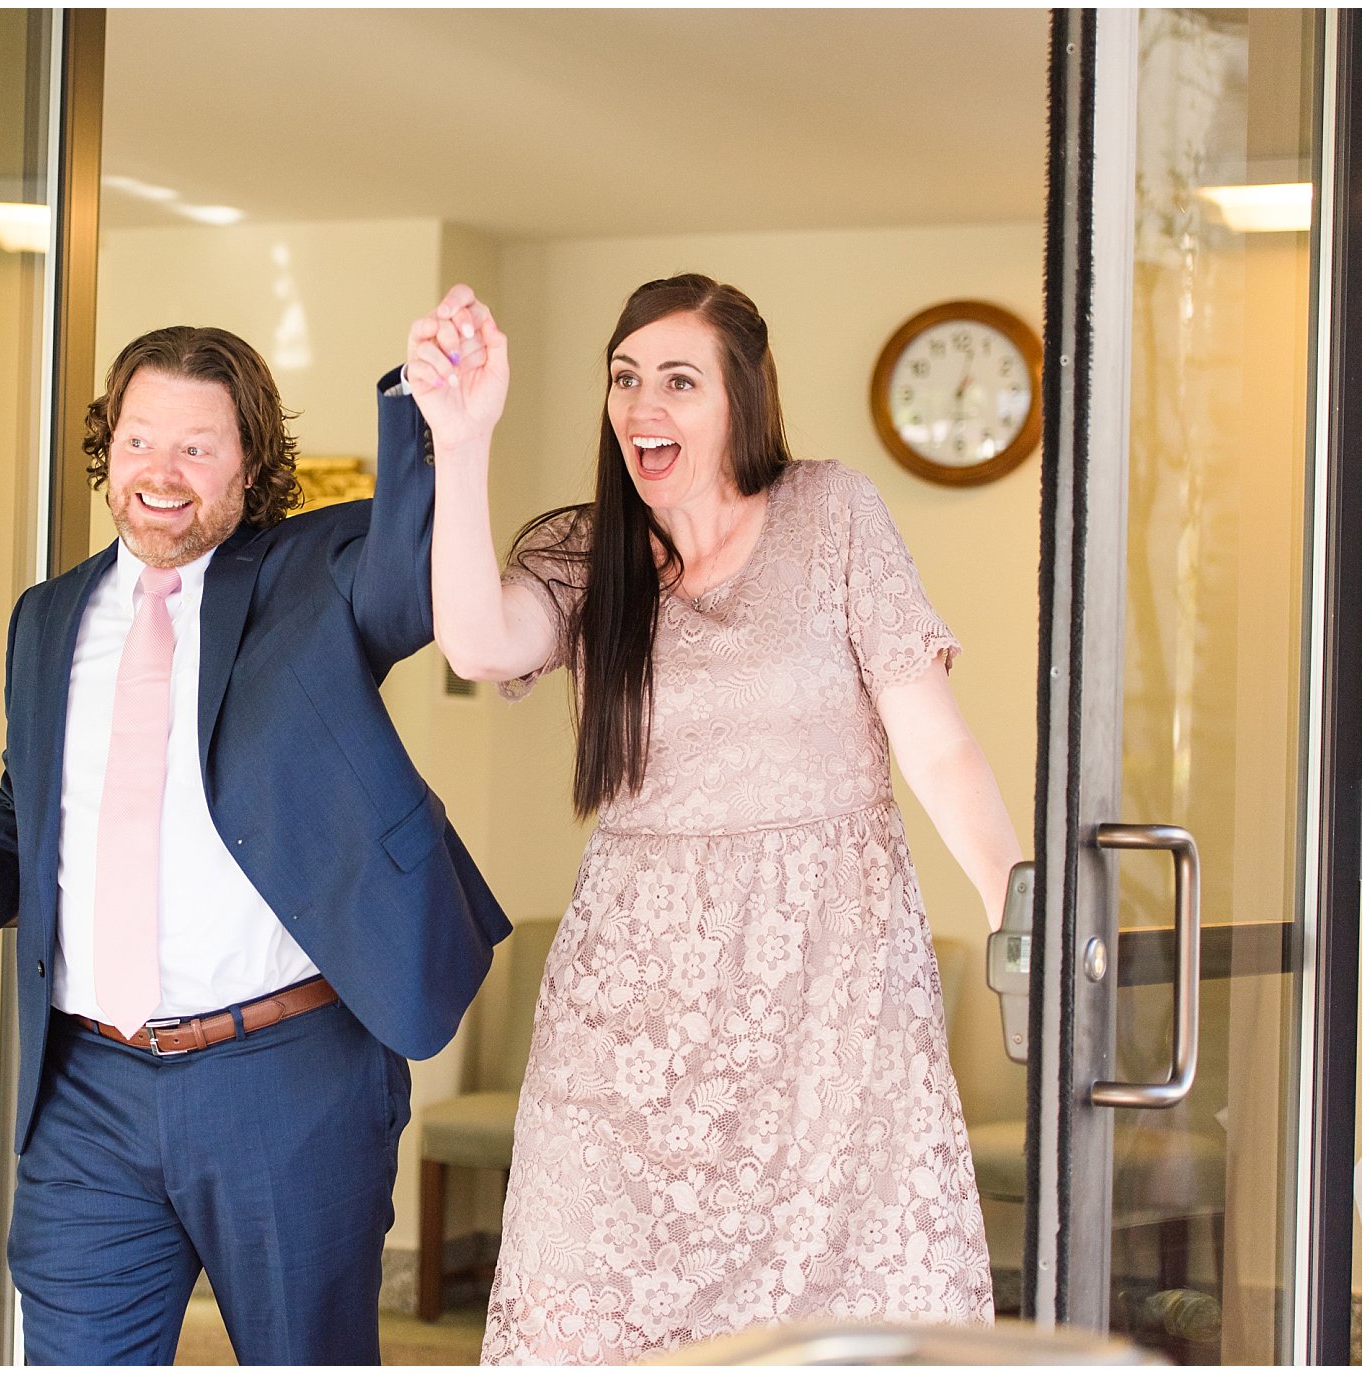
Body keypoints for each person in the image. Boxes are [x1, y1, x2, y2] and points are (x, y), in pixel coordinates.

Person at [0, 312, 509, 1365]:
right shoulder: (48, 617)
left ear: (250, 461)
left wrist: (440, 419)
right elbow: (28, 821)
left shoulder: (315, 576)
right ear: (106, 446)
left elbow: (413, 586)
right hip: (88, 1088)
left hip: (284, 1076)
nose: (158, 473)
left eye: (195, 447)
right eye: (137, 440)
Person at [415, 275, 1018, 1363]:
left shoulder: (832, 512)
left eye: (678, 381)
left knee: (832, 1308)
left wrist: (1016, 906)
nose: (643, 405)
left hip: (824, 992)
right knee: (593, 1307)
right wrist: (460, 442)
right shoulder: (583, 553)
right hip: (629, 1006)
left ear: (740, 398)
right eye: (624, 378)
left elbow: (935, 746)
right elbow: (476, 644)